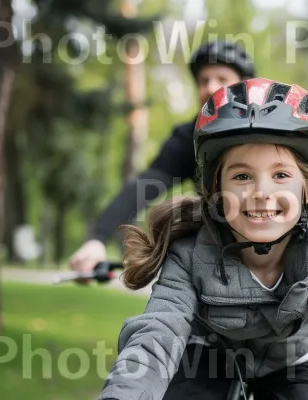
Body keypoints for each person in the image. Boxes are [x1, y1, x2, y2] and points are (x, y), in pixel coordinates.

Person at [98, 78, 308, 400]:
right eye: (242, 176)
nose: (262, 193)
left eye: (280, 175)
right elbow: (157, 334)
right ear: (216, 191)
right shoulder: (191, 251)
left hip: (291, 360)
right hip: (207, 355)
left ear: (307, 189)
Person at [69, 40, 255, 275]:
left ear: (244, 86)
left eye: (221, 79)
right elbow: (144, 187)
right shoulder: (189, 138)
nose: (210, 87)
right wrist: (97, 239)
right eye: (203, 81)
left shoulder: (272, 131)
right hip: (218, 259)